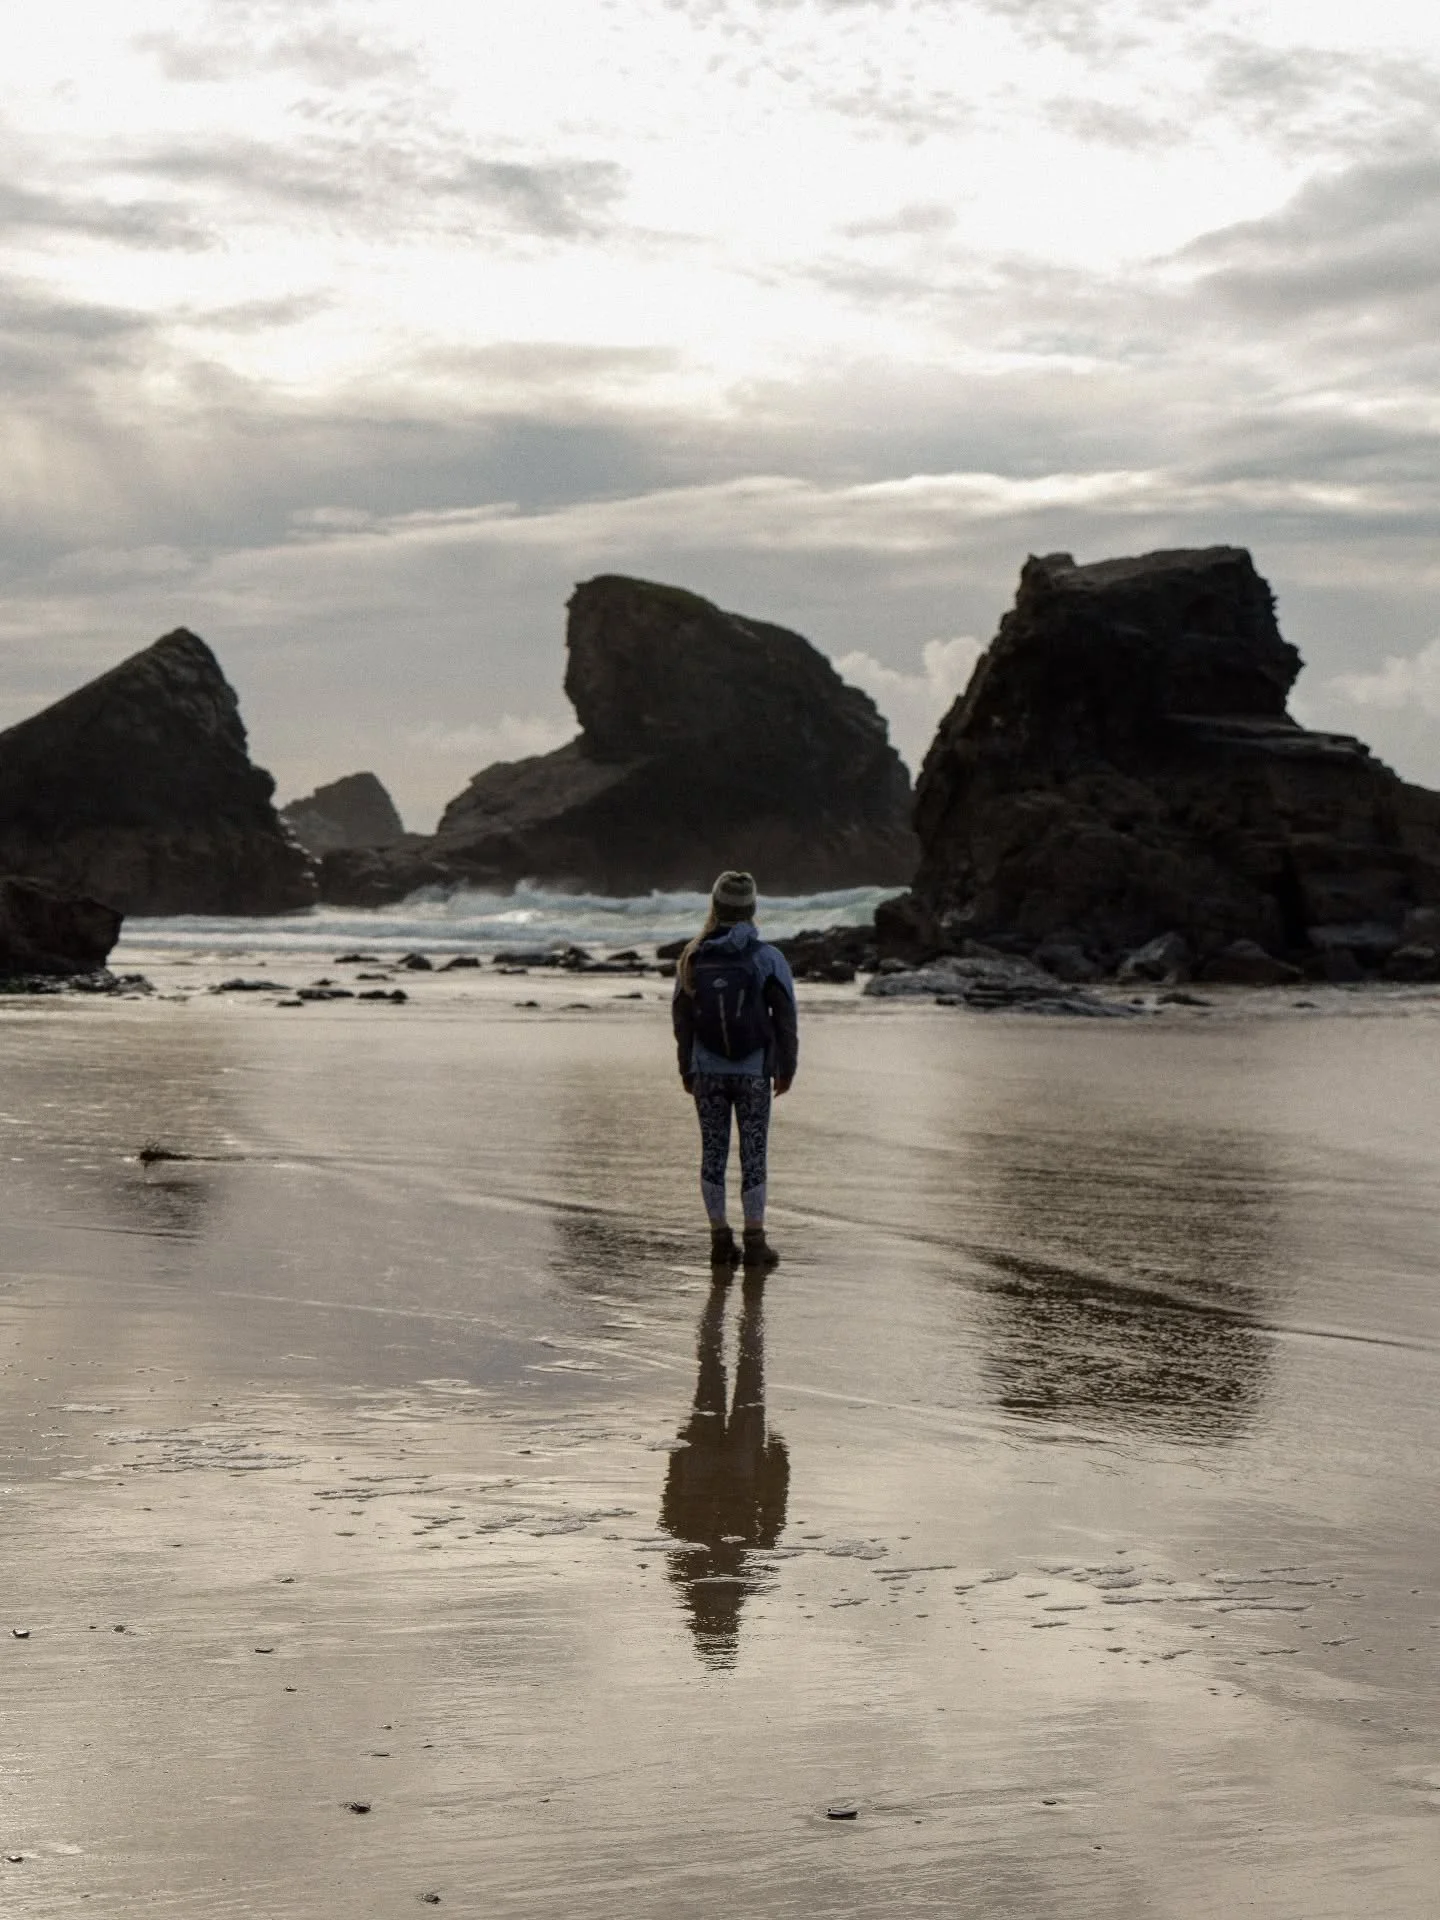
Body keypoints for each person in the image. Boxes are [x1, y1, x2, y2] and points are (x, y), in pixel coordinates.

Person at [672, 870, 798, 1270]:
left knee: (713, 1154)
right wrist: (786, 1068)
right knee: (753, 1154)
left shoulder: (693, 956)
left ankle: (720, 1243)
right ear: (752, 909)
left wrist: (686, 1069)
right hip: (753, 1071)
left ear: (716, 905)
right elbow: (786, 1019)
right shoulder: (769, 958)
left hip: (706, 1071)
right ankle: (756, 1244)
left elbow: (682, 1019)